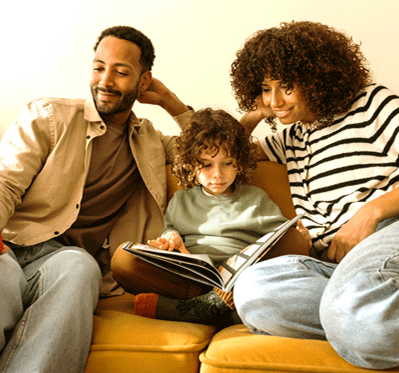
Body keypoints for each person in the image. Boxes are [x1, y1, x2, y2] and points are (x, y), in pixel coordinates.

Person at [0, 26, 192, 373]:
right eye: (98, 67)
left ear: (143, 82)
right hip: (2, 242)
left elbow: (216, 145)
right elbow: (2, 183)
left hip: (60, 259)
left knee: (82, 268)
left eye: (121, 72)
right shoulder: (49, 116)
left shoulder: (151, 142)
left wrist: (169, 100)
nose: (105, 80)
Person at [230, 21, 399, 369]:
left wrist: (368, 214)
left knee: (356, 302)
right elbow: (226, 152)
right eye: (265, 88)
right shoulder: (293, 136)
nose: (276, 101)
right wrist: (257, 110)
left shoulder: (370, 102)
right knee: (255, 291)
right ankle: (361, 317)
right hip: (347, 269)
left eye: (286, 86)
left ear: (316, 76)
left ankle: (361, 313)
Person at [111, 108, 306, 325]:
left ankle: (204, 307)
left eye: (228, 163)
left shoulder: (255, 198)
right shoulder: (181, 200)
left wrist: (297, 236)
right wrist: (171, 238)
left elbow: (280, 238)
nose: (218, 174)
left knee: (294, 242)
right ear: (191, 164)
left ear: (239, 161)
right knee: (123, 259)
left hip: (241, 276)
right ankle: (220, 307)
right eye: (206, 165)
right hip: (193, 279)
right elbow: (169, 231)